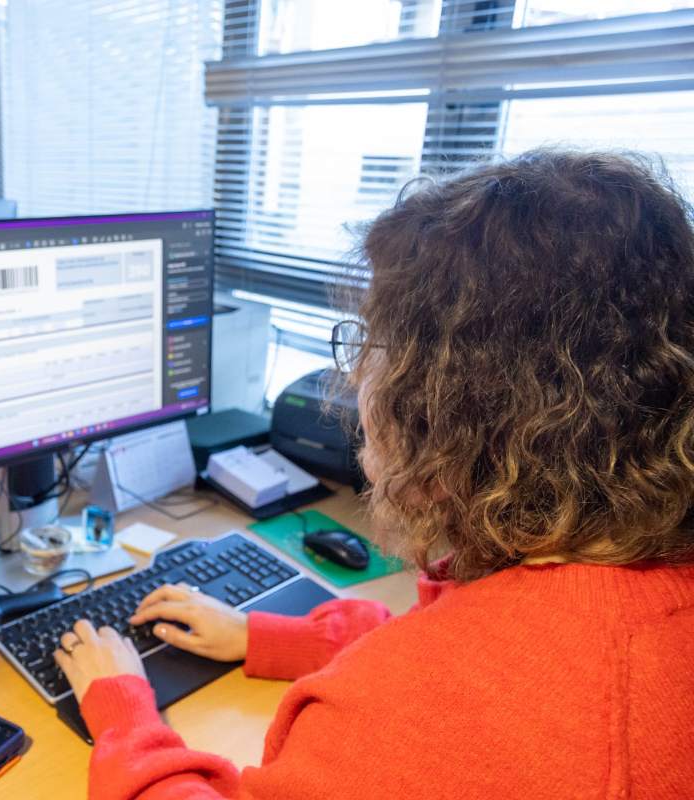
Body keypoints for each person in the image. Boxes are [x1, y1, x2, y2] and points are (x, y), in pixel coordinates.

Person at [54, 150, 694, 799]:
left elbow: (451, 694)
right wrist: (260, 635)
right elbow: (483, 648)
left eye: (375, 346)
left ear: (459, 404)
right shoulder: (636, 602)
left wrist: (123, 711)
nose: (357, 377)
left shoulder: (402, 716)